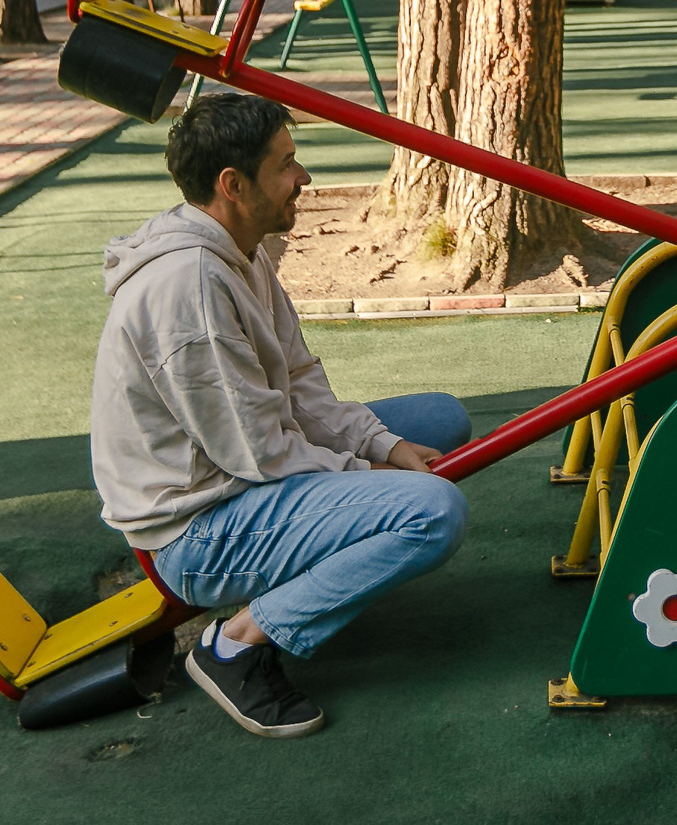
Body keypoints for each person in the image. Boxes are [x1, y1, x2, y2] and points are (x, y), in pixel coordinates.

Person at [89, 92, 473, 739]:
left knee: (435, 422)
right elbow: (260, 453)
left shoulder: (243, 249)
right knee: (433, 511)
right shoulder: (190, 290)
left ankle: (320, 561)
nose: (304, 177)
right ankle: (236, 645)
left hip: (236, 471)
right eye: (286, 164)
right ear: (233, 185)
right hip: (195, 531)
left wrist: (381, 445)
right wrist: (372, 476)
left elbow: (295, 381)